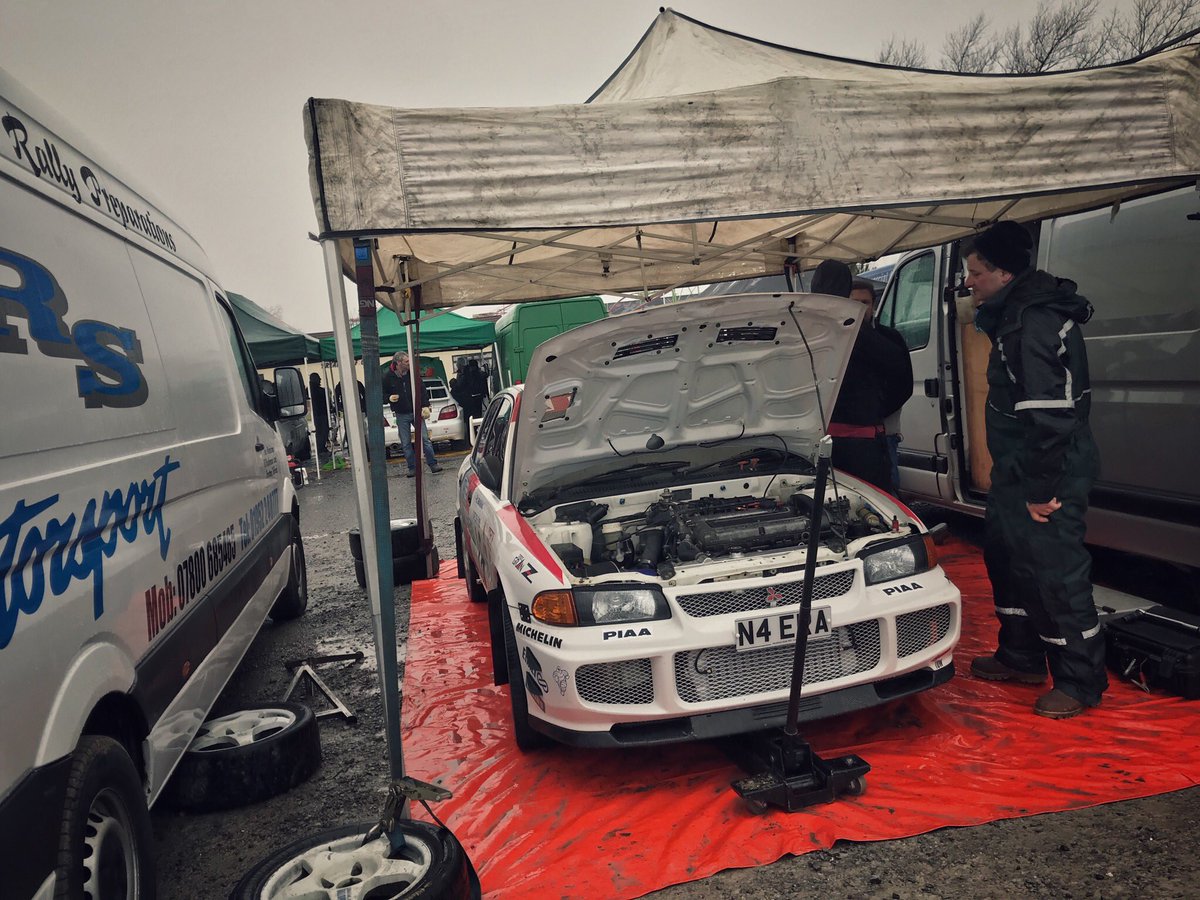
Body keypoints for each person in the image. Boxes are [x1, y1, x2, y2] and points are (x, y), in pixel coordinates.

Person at [964, 220, 1105, 720]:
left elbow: (1050, 416)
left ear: (1004, 273)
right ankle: (1021, 655)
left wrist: (1042, 490)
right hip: (1017, 467)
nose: (968, 281)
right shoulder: (1010, 315)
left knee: (1054, 571)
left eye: (975, 272)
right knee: (1006, 554)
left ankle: (1080, 680)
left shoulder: (1031, 323)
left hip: (1049, 470)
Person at [811, 261, 911, 494]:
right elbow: (896, 367)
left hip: (835, 442)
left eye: (864, 303)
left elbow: (901, 382)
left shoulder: (812, 330)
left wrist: (879, 410)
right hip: (861, 442)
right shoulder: (862, 333)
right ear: (846, 293)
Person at [851, 279, 912, 490]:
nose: (860, 308)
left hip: (884, 433)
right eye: (854, 302)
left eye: (865, 302)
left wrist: (876, 413)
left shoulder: (890, 338)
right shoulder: (837, 339)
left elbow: (904, 385)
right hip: (847, 436)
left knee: (887, 492)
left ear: (874, 305)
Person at [382, 352, 443, 477]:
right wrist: (389, 398)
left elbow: (422, 390)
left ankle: (433, 464)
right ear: (398, 363)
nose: (409, 363)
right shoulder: (387, 377)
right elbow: (382, 394)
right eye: (406, 362)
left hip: (416, 411)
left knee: (425, 439)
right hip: (401, 413)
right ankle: (412, 468)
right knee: (405, 443)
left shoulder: (413, 374)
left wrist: (425, 405)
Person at [309, 371, 330, 455]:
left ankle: (321, 447)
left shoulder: (311, 390)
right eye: (318, 378)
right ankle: (320, 448)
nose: (320, 380)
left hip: (318, 413)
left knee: (321, 431)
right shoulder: (317, 391)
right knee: (322, 431)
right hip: (320, 413)